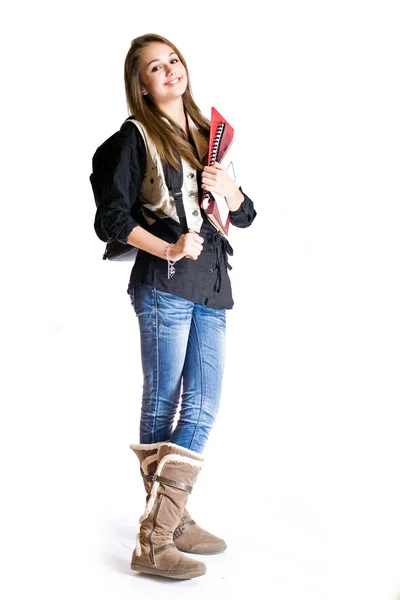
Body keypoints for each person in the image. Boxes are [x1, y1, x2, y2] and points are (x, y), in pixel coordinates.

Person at [94, 33, 257, 580]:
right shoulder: (134, 139)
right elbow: (111, 219)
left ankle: (172, 521)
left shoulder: (209, 136)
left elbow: (247, 213)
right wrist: (167, 245)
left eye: (174, 61)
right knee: (165, 402)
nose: (169, 71)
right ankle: (157, 538)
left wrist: (230, 192)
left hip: (212, 282)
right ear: (140, 83)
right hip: (165, 281)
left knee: (204, 402)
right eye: (154, 67)